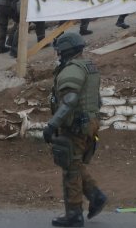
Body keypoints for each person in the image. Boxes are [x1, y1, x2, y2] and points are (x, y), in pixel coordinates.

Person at [43, 32, 107, 227]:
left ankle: (74, 214)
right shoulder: (89, 67)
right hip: (90, 122)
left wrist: (53, 124)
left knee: (70, 168)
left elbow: (69, 101)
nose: (58, 54)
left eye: (59, 51)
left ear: (65, 50)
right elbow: (97, 99)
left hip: (76, 126)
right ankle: (96, 196)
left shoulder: (71, 71)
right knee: (75, 163)